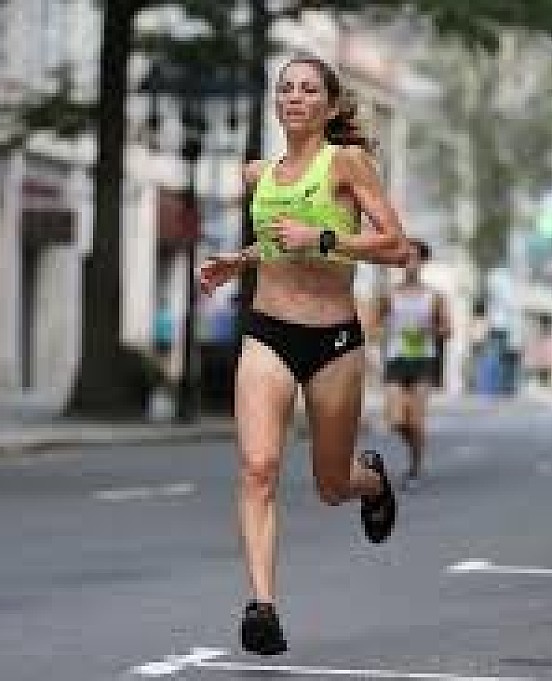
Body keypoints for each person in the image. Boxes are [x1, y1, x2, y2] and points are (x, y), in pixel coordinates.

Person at [197, 55, 411, 656]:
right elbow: (276, 243)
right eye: (286, 88)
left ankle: (371, 482)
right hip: (267, 331)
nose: (295, 97)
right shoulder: (257, 174)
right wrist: (238, 261)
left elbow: (397, 247)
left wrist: (324, 238)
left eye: (309, 89)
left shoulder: (346, 163)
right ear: (276, 102)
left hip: (332, 339)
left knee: (331, 485)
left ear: (330, 104)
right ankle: (262, 607)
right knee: (259, 467)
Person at [373, 240, 450, 489]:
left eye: (415, 258)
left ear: (424, 262)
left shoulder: (434, 297)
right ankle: (416, 446)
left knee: (416, 421)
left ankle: (415, 468)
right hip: (396, 360)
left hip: (423, 361)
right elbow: (375, 325)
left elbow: (447, 329)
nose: (410, 263)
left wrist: (433, 329)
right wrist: (381, 332)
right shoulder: (389, 295)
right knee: (396, 420)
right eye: (405, 258)